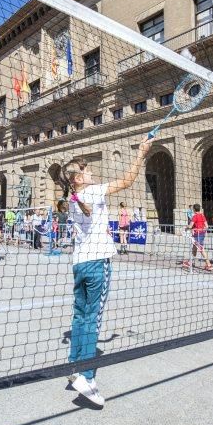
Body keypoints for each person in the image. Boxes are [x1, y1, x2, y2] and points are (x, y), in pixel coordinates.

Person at [59, 136, 152, 407]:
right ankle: (86, 377)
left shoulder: (73, 197)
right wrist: (142, 153)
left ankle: (75, 367)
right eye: (85, 169)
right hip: (98, 262)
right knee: (92, 320)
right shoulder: (90, 192)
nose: (90, 171)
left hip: (80, 263)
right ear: (77, 179)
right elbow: (127, 181)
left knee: (79, 317)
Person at [183, 203, 212, 271]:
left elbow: (190, 226)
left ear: (194, 209)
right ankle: (190, 262)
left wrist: (186, 227)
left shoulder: (195, 216)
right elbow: (207, 226)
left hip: (197, 235)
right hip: (201, 234)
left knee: (201, 249)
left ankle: (209, 264)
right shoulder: (202, 215)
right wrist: (202, 230)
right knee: (194, 249)